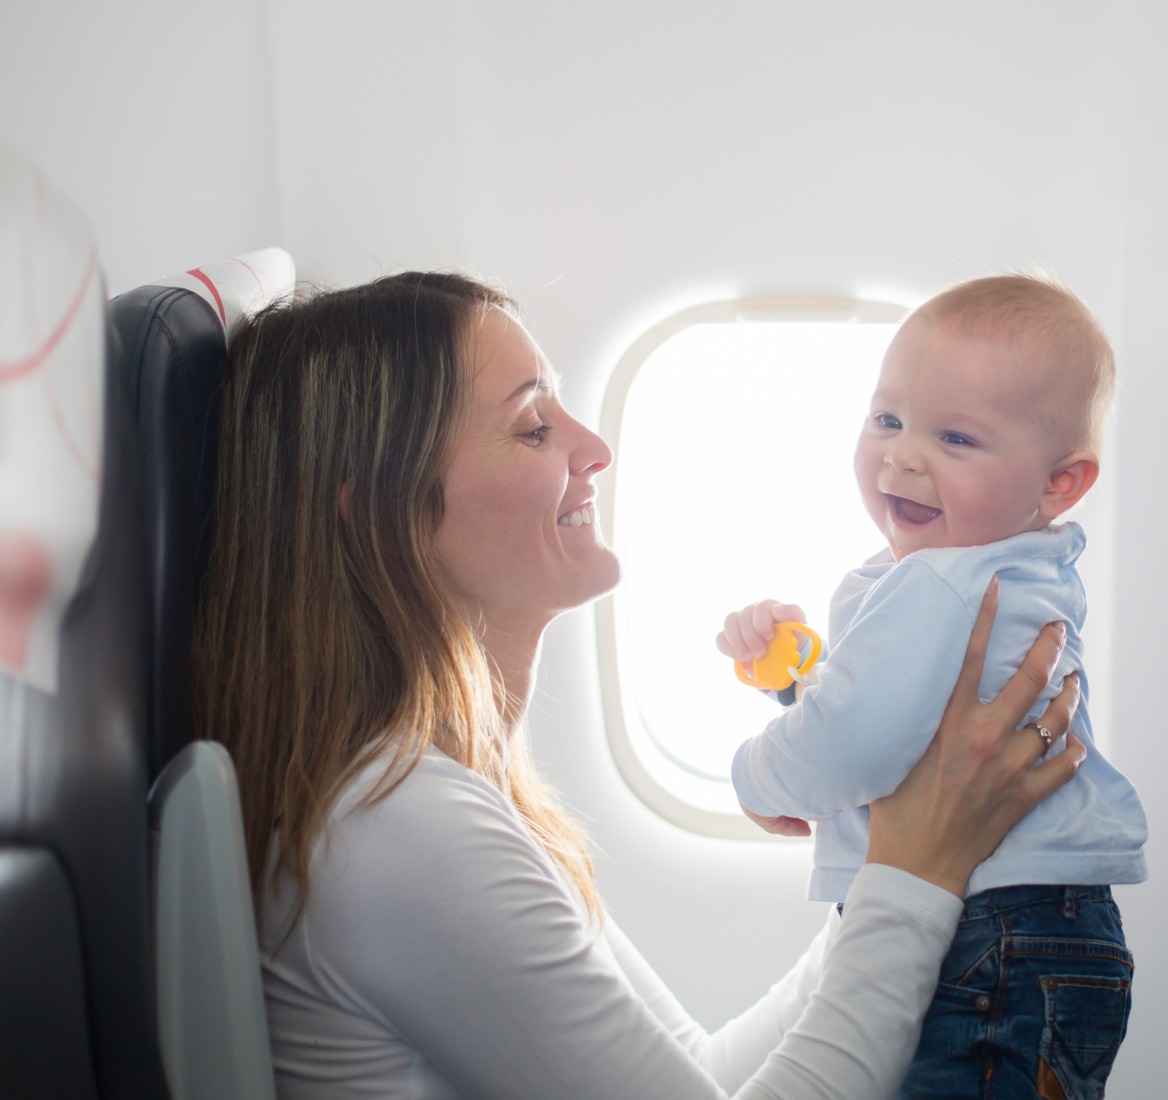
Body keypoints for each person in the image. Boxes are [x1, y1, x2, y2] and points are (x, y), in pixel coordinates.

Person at [193, 270, 1090, 1099]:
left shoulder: (457, 794)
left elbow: (700, 1073)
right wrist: (915, 869)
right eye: (532, 425)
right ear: (381, 506)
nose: (592, 447)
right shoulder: (397, 827)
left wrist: (914, 849)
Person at [718, 274, 1148, 1100]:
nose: (902, 454)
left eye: (955, 438)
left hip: (987, 935)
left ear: (1060, 483)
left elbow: (858, 741)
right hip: (1041, 933)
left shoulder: (941, 585)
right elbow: (902, 717)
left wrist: (755, 775)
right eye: (888, 419)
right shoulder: (1008, 569)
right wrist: (796, 679)